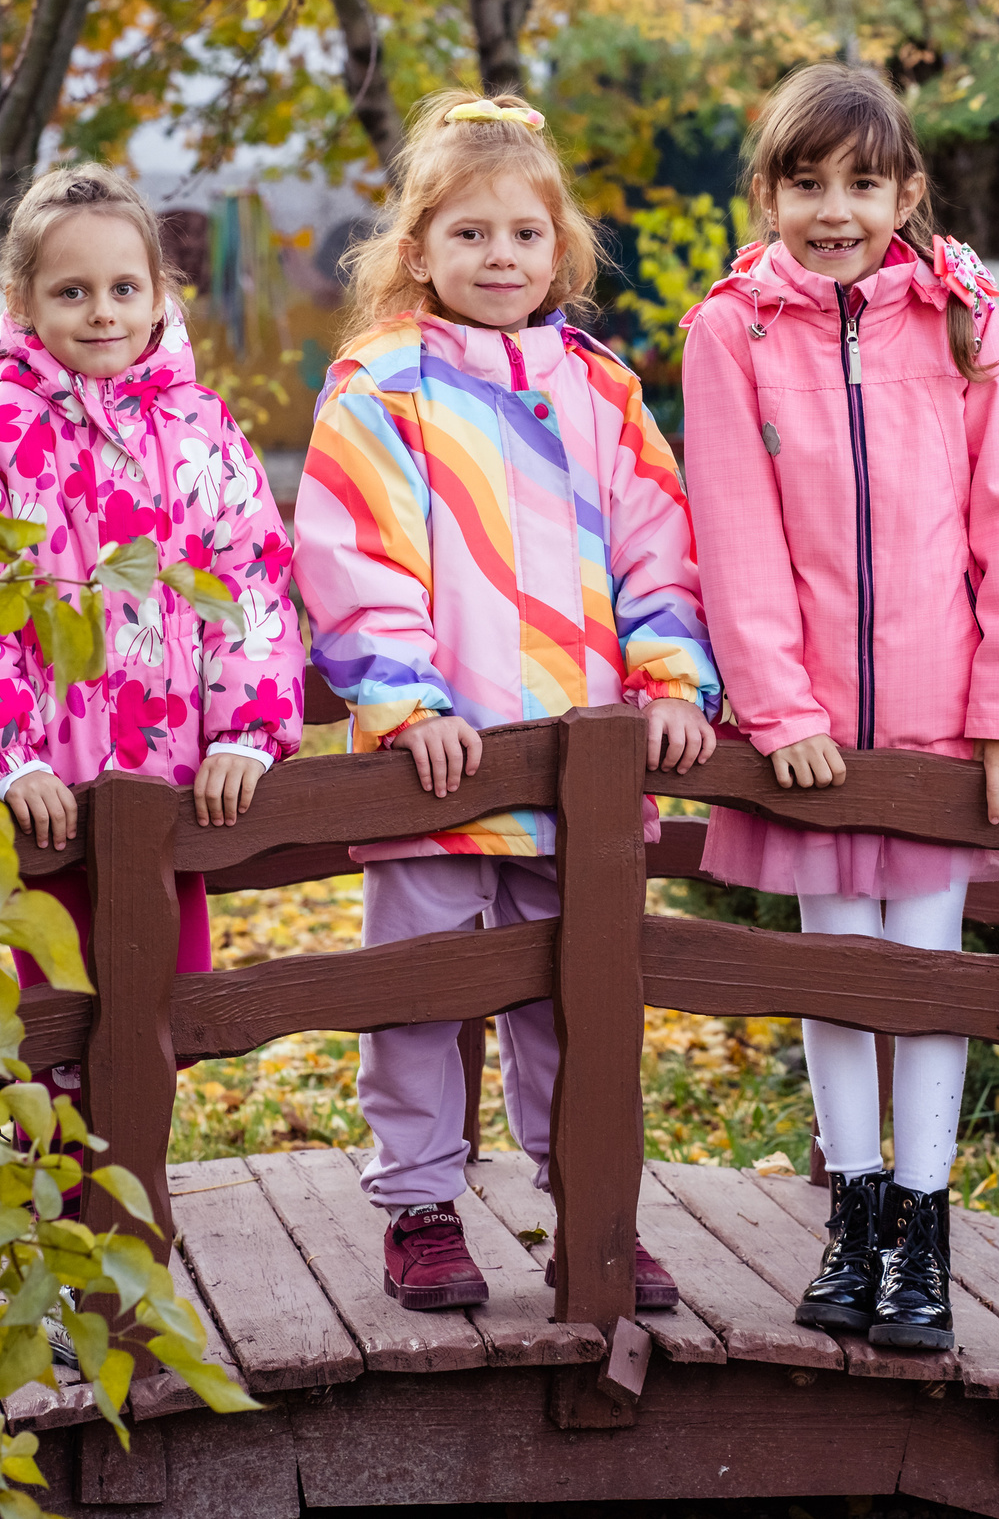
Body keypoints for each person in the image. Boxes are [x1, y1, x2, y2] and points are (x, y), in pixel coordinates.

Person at [294, 90, 721, 1313]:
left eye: (525, 234)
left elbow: (657, 545)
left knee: (577, 989)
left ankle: (587, 1198)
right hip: (443, 757)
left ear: (560, 249)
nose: (500, 257)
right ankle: (420, 1206)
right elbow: (355, 553)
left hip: (582, 767)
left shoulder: (601, 391)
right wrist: (406, 703)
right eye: (470, 233)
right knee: (420, 987)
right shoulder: (382, 386)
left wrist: (669, 679)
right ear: (417, 249)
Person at [679, 62, 999, 1352]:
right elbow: (732, 531)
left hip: (945, 725)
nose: (833, 210)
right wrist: (779, 711)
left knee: (930, 974)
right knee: (837, 971)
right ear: (769, 194)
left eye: (861, 183)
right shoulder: (729, 332)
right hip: (813, 742)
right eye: (805, 184)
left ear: (906, 193)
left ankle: (924, 1226)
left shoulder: (962, 322)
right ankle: (852, 1217)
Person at [0, 163, 303, 1108]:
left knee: (165, 1012)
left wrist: (245, 732)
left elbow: (249, 580)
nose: (102, 313)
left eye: (125, 288)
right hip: (47, 802)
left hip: (170, 793)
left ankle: (135, 1179)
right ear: (23, 300)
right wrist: (6, 760)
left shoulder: (201, 429)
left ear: (159, 293)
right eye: (72, 291)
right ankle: (56, 1181)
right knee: (54, 1023)